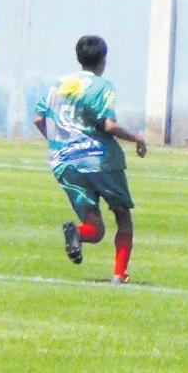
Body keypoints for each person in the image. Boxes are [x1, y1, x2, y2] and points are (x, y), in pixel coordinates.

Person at [34, 36, 146, 284]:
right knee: (122, 215)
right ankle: (119, 274)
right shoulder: (102, 86)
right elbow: (109, 125)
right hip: (100, 160)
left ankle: (77, 232)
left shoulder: (59, 85)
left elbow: (39, 119)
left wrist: (59, 142)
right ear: (103, 59)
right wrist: (137, 138)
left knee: (95, 229)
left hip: (65, 162)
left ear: (78, 57)